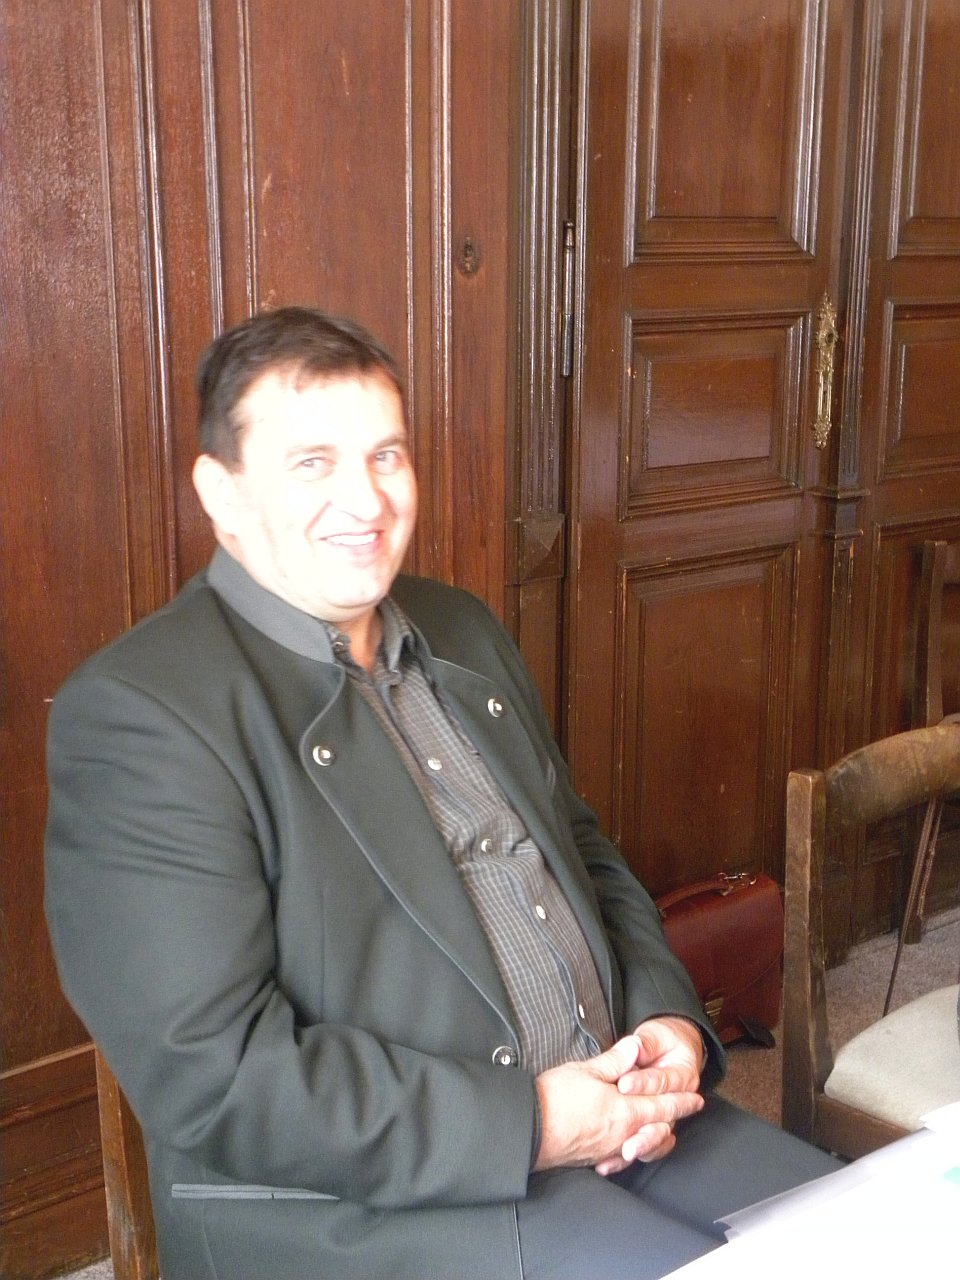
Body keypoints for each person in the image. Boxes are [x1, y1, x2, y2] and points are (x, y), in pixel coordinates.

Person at [44, 307, 839, 1280]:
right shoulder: (142, 713)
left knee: (878, 1235)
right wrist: (535, 1123)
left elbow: (582, 851)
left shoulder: (459, 626)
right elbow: (217, 1076)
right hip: (372, 1203)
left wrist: (665, 1021)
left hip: (620, 1111)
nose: (366, 499)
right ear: (223, 492)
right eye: (313, 463)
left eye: (387, 455)